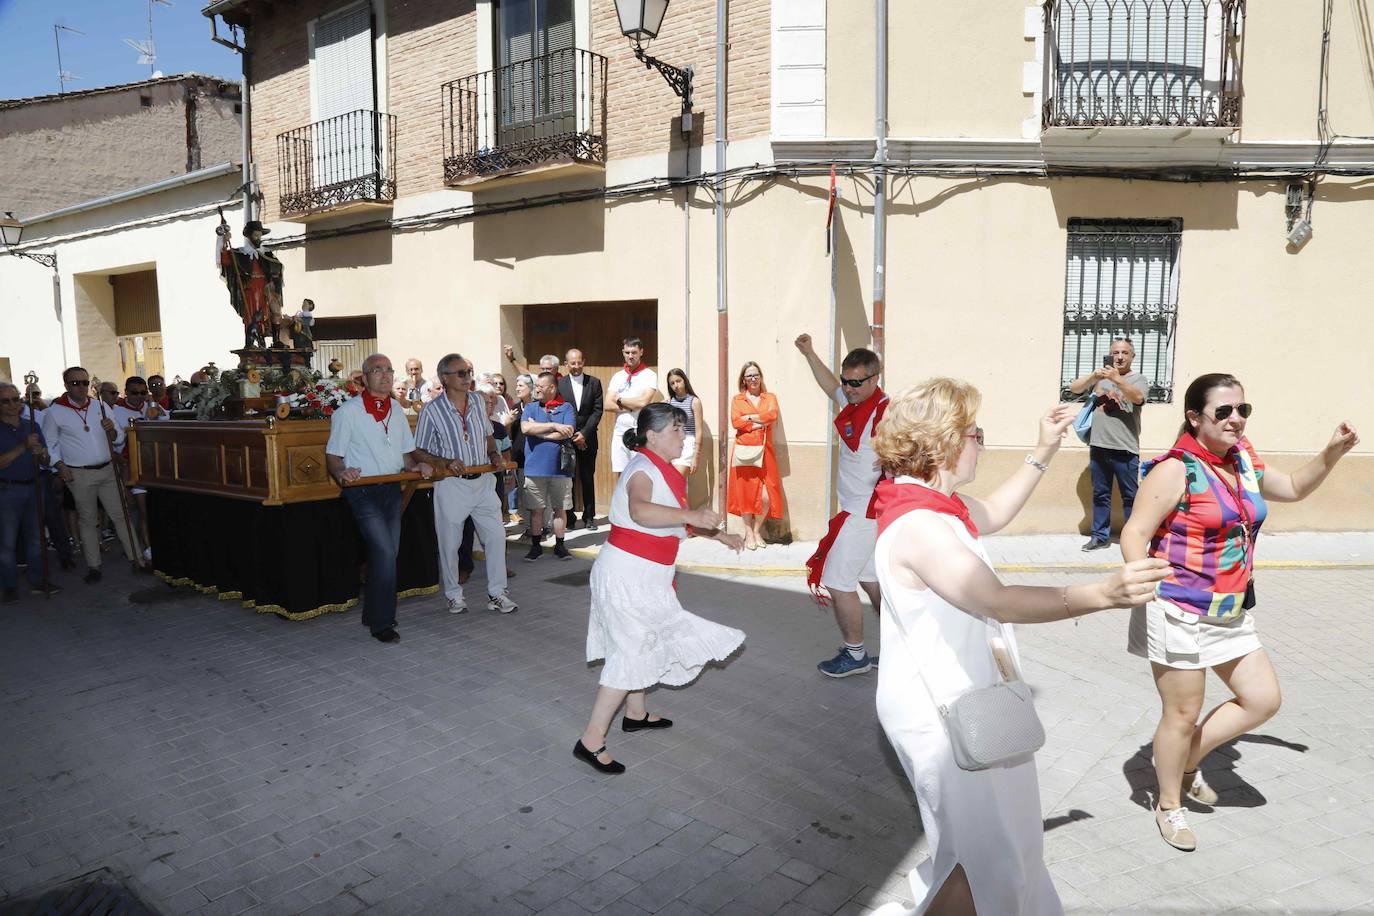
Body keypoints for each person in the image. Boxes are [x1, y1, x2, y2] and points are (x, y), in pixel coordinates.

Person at [868, 378, 1168, 916]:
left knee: (992, 849)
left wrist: (1043, 450)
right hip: (940, 714)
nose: (980, 441)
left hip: (970, 700)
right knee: (986, 859)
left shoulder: (938, 508)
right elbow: (997, 600)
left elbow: (996, 514)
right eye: (975, 432)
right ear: (944, 441)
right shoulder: (920, 525)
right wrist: (1100, 593)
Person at [1121, 373, 1359, 852]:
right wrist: (1142, 584)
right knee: (1182, 714)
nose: (1235, 419)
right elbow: (1134, 533)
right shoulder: (1176, 469)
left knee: (1262, 699)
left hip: (1228, 611)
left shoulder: (1243, 460)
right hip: (1179, 609)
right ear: (1195, 417)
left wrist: (1332, 451)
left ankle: (1187, 765)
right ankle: (1169, 804)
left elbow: (1291, 488)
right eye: (1224, 412)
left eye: (1242, 410)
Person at [575, 402, 747, 774]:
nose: (682, 437)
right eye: (675, 429)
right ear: (652, 435)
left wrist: (719, 534)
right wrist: (692, 516)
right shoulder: (641, 468)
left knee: (640, 642)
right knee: (631, 653)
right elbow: (640, 511)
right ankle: (590, 740)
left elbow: (671, 520)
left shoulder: (661, 468)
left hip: (645, 575)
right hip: (626, 576)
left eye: (684, 429)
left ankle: (634, 714)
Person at [796, 334, 888, 677]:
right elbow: (830, 386)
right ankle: (902, 647)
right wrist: (809, 353)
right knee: (872, 580)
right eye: (846, 381)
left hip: (865, 511)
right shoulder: (855, 401)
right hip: (859, 510)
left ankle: (856, 655)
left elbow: (915, 439)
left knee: (837, 580)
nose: (847, 388)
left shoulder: (885, 411)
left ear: (874, 379)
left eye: (856, 383)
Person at [325, 353, 435, 643]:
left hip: (391, 489)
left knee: (387, 553)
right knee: (385, 553)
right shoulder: (347, 412)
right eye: (378, 370)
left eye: (389, 370)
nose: (385, 375)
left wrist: (417, 466)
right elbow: (333, 457)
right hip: (361, 492)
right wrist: (342, 473)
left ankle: (372, 613)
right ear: (364, 377)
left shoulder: (397, 411)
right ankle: (383, 623)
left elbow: (405, 454)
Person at [413, 353, 519, 616]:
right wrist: (446, 462)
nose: (467, 378)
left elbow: (487, 436)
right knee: (449, 543)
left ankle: (497, 593)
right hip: (451, 485)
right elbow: (419, 451)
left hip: (482, 481)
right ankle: (453, 595)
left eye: (469, 372)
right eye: (461, 373)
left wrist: (494, 455)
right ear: (444, 378)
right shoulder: (431, 410)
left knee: (495, 537)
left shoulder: (477, 401)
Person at [41, 367, 144, 582]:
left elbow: (117, 439)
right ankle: (94, 566)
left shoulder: (101, 406)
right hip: (79, 474)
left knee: (121, 516)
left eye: (84, 383)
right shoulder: (55, 412)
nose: (81, 387)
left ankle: (138, 560)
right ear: (66, 385)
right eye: (75, 383)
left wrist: (112, 430)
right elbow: (50, 444)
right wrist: (59, 465)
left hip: (107, 469)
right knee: (88, 520)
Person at [1067, 338, 1149, 551]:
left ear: (1132, 356)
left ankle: (1133, 538)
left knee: (1130, 496)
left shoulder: (1138, 379)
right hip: (1099, 446)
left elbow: (1138, 398)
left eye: (1124, 353)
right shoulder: (1101, 380)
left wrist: (1118, 380)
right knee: (1100, 494)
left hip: (1125, 448)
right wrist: (1094, 376)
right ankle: (1099, 537)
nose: (1119, 357)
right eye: (1115, 353)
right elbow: (1074, 389)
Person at [1, 382, 61, 603]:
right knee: (6, 542)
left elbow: (44, 460)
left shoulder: (32, 426)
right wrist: (23, 447)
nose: (11, 404)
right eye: (5, 401)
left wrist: (42, 455)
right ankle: (8, 585)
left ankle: (37, 580)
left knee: (36, 539)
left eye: (15, 399)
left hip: (34, 486)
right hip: (7, 489)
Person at [111, 376, 169, 561]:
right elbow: (116, 443)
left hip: (155, 466)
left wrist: (152, 404)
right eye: (135, 393)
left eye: (143, 393)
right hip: (133, 466)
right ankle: (148, 549)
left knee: (155, 509)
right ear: (126, 392)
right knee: (142, 510)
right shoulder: (116, 411)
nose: (139, 397)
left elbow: (166, 420)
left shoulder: (149, 406)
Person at [521, 371, 577, 561]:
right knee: (536, 510)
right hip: (534, 468)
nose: (536, 388)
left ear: (552, 388)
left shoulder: (567, 408)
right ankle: (536, 546)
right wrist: (554, 426)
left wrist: (539, 431)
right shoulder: (530, 407)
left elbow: (567, 432)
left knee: (559, 509)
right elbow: (525, 428)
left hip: (560, 470)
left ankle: (560, 546)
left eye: (539, 386)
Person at [727, 361, 783, 550]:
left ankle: (757, 529)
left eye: (756, 374)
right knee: (744, 494)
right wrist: (759, 421)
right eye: (749, 375)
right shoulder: (737, 400)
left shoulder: (770, 397)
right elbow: (736, 422)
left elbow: (772, 415)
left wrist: (749, 418)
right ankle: (748, 533)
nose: (753, 378)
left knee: (767, 496)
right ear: (744, 379)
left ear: (761, 376)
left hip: (765, 452)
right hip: (744, 452)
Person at [218, 217, 286, 349]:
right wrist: (224, 243)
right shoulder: (241, 253)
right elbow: (226, 261)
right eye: (255, 234)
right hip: (251, 288)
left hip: (267, 288)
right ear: (249, 236)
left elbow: (277, 266)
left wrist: (274, 278)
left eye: (260, 234)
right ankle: (251, 342)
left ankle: (275, 339)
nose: (258, 237)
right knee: (252, 315)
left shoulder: (267, 253)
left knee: (274, 311)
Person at [558, 349, 605, 530]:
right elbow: (558, 410)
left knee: (587, 477)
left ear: (583, 361)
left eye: (579, 362)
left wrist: (584, 433)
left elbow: (597, 410)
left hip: (588, 438)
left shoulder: (594, 383)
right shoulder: (560, 384)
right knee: (568, 479)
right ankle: (569, 518)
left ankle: (589, 517)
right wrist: (572, 434)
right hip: (567, 439)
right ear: (566, 363)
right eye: (572, 363)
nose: (576, 366)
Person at [607, 338, 659, 483]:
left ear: (641, 352)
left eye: (634, 352)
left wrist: (620, 400)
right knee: (622, 477)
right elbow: (607, 405)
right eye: (627, 352)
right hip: (620, 433)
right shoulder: (618, 376)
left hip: (640, 432)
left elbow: (644, 402)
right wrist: (633, 405)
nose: (631, 356)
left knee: (640, 475)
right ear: (623, 353)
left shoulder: (649, 375)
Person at [665, 368, 704, 477]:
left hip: (687, 443)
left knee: (676, 478)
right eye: (672, 383)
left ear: (684, 381)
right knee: (670, 484)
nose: (676, 385)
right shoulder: (669, 402)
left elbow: (699, 431)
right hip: (671, 443)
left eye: (678, 381)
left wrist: (696, 456)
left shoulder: (694, 401)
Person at [508, 374, 535, 525]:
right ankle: (529, 528)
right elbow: (509, 435)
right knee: (523, 495)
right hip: (519, 457)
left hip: (535, 456)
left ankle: (542, 526)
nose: (517, 388)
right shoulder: (515, 408)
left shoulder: (538, 406)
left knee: (535, 494)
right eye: (516, 385)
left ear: (530, 388)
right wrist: (508, 422)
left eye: (521, 386)